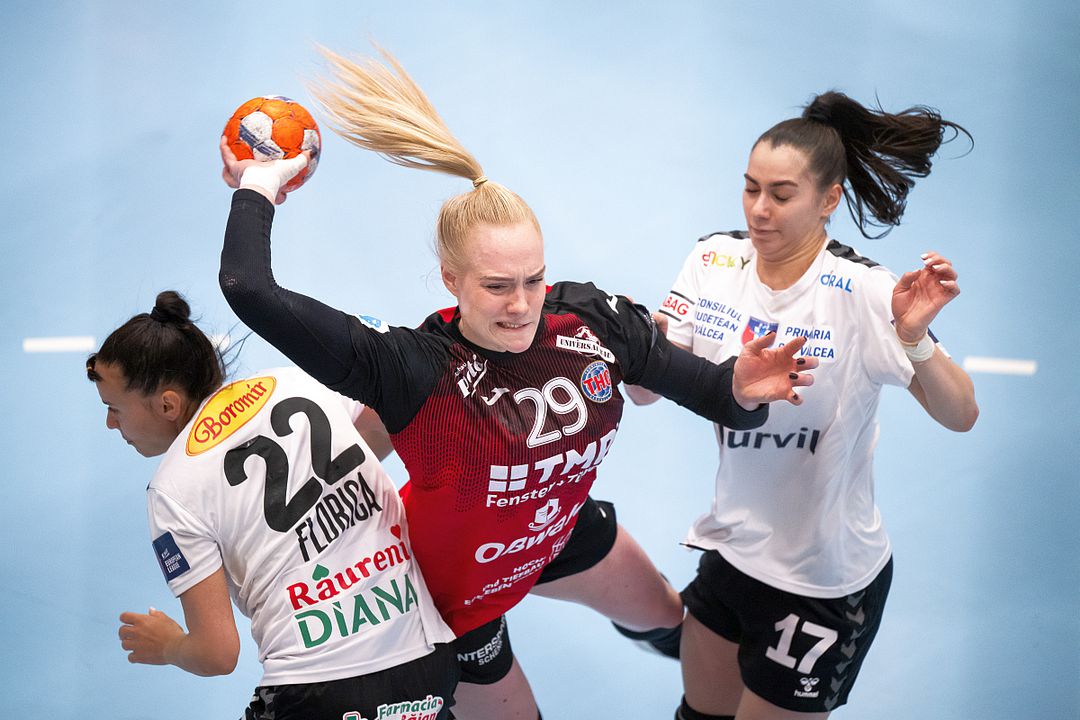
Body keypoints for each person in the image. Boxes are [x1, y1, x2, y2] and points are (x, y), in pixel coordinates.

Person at [216, 47, 817, 720]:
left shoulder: (592, 322)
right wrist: (258, 186)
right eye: (498, 286)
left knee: (667, 617)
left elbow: (718, 398)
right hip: (453, 598)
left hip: (554, 530)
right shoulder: (412, 366)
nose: (522, 305)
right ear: (451, 280)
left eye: (534, 280)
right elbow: (248, 287)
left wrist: (744, 392)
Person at [626, 91, 979, 719]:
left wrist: (914, 339)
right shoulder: (713, 260)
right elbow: (645, 393)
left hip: (823, 581)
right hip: (733, 550)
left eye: (781, 195)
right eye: (750, 188)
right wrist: (636, 345)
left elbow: (962, 415)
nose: (759, 210)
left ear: (828, 199)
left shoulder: (863, 290)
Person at [87, 290, 458, 720]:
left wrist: (168, 644)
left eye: (114, 408)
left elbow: (216, 653)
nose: (110, 423)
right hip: (426, 662)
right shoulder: (295, 381)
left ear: (168, 404)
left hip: (315, 689)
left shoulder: (171, 490)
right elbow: (390, 407)